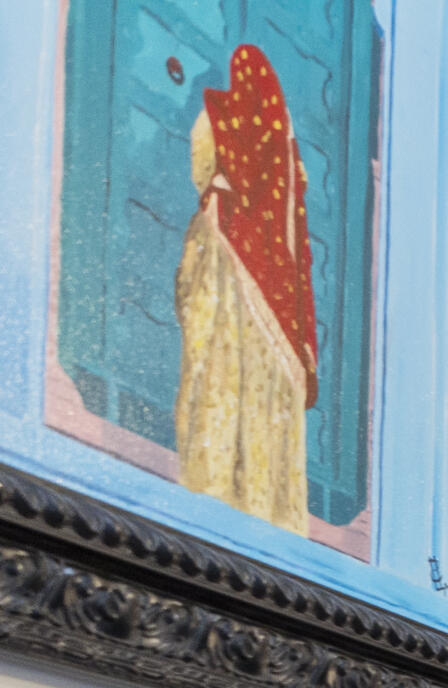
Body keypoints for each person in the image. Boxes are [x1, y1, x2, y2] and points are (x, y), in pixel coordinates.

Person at [174, 46, 317, 535]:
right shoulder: (286, 163)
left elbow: (201, 169)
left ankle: (212, 487)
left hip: (220, 253)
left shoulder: (214, 120)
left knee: (214, 371)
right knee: (261, 396)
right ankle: (263, 504)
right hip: (270, 296)